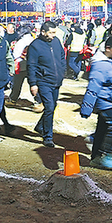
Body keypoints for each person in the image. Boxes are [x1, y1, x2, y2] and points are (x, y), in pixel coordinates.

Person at [80, 35, 112, 170]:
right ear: (108, 48)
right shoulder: (100, 64)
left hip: (109, 101)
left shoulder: (108, 61)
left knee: (102, 129)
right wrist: (86, 108)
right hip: (104, 103)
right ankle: (107, 155)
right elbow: (93, 87)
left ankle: (95, 158)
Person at [27, 20, 66, 148]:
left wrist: (62, 71)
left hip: (56, 80)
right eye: (51, 32)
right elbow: (31, 66)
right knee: (49, 107)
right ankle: (48, 136)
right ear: (43, 32)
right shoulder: (35, 46)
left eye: (54, 32)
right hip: (43, 81)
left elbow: (62, 57)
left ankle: (40, 126)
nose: (54, 35)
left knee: (52, 106)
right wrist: (33, 83)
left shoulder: (56, 42)